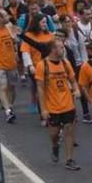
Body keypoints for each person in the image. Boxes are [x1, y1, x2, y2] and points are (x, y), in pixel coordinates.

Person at [36, 38, 81, 171]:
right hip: (52, 106)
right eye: (60, 47)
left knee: (69, 131)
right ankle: (55, 146)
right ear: (53, 49)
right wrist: (43, 109)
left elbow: (73, 80)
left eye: (63, 47)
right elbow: (40, 89)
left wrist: (76, 89)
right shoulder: (42, 65)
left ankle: (69, 159)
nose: (62, 50)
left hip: (68, 105)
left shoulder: (66, 63)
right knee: (54, 134)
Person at [58, 14, 92, 123]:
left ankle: (86, 113)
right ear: (61, 23)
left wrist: (85, 64)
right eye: (65, 22)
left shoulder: (77, 34)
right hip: (65, 67)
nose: (68, 24)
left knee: (81, 88)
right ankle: (72, 113)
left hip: (78, 65)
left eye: (69, 21)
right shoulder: (58, 35)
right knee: (69, 89)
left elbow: (83, 50)